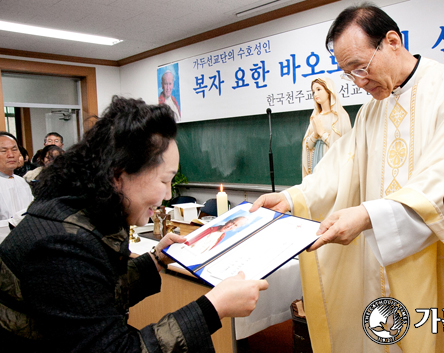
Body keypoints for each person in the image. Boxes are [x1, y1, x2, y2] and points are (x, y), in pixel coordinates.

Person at [251, 4, 444, 353]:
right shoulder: (374, 109)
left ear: (391, 41)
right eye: (349, 74)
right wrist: (293, 198)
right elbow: (341, 166)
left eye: (361, 67)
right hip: (385, 269)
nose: (359, 82)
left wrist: (368, 215)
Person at [0, 97, 268, 352]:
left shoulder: (78, 212)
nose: (166, 195)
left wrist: (156, 261)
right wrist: (214, 307)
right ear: (119, 175)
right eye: (164, 181)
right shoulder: (62, 245)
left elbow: (92, 295)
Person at [302, 76, 351, 177]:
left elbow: (345, 147)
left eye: (319, 89)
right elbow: (308, 147)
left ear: (329, 91)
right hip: (317, 161)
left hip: (333, 164)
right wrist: (315, 134)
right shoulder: (315, 117)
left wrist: (322, 133)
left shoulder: (340, 116)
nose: (315, 94)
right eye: (313, 92)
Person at [0, 132, 33, 241]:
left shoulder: (22, 182)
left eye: (14, 149)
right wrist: (11, 223)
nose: (11, 155)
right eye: (3, 151)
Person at [184, 216, 249, 254]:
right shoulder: (208, 229)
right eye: (232, 223)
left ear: (236, 228)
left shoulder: (221, 236)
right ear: (228, 221)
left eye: (235, 225)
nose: (230, 226)